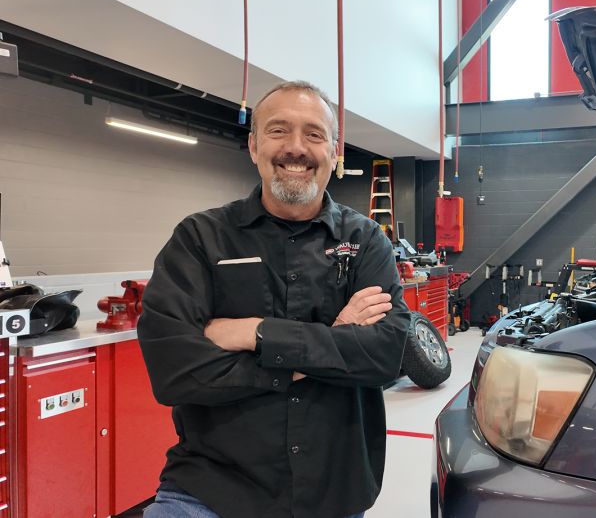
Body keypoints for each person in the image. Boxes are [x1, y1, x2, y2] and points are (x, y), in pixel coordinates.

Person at [137, 80, 410, 518]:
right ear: (254, 146)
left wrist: (253, 332)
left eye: (314, 134)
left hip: (332, 493)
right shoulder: (200, 239)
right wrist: (330, 343)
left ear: (335, 151)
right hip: (210, 492)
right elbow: (174, 371)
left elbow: (385, 355)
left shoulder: (365, 240)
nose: (296, 148)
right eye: (279, 131)